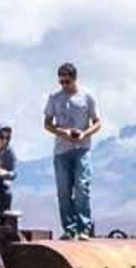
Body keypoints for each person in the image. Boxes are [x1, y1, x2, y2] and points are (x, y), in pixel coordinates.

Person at [44, 62, 102, 238]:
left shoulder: (87, 97)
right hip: (62, 150)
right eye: (61, 82)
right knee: (63, 190)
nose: (64, 85)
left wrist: (84, 134)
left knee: (82, 187)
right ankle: (69, 229)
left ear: (75, 79)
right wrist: (62, 131)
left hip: (82, 148)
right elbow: (47, 124)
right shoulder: (54, 98)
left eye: (67, 82)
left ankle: (84, 226)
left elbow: (98, 122)